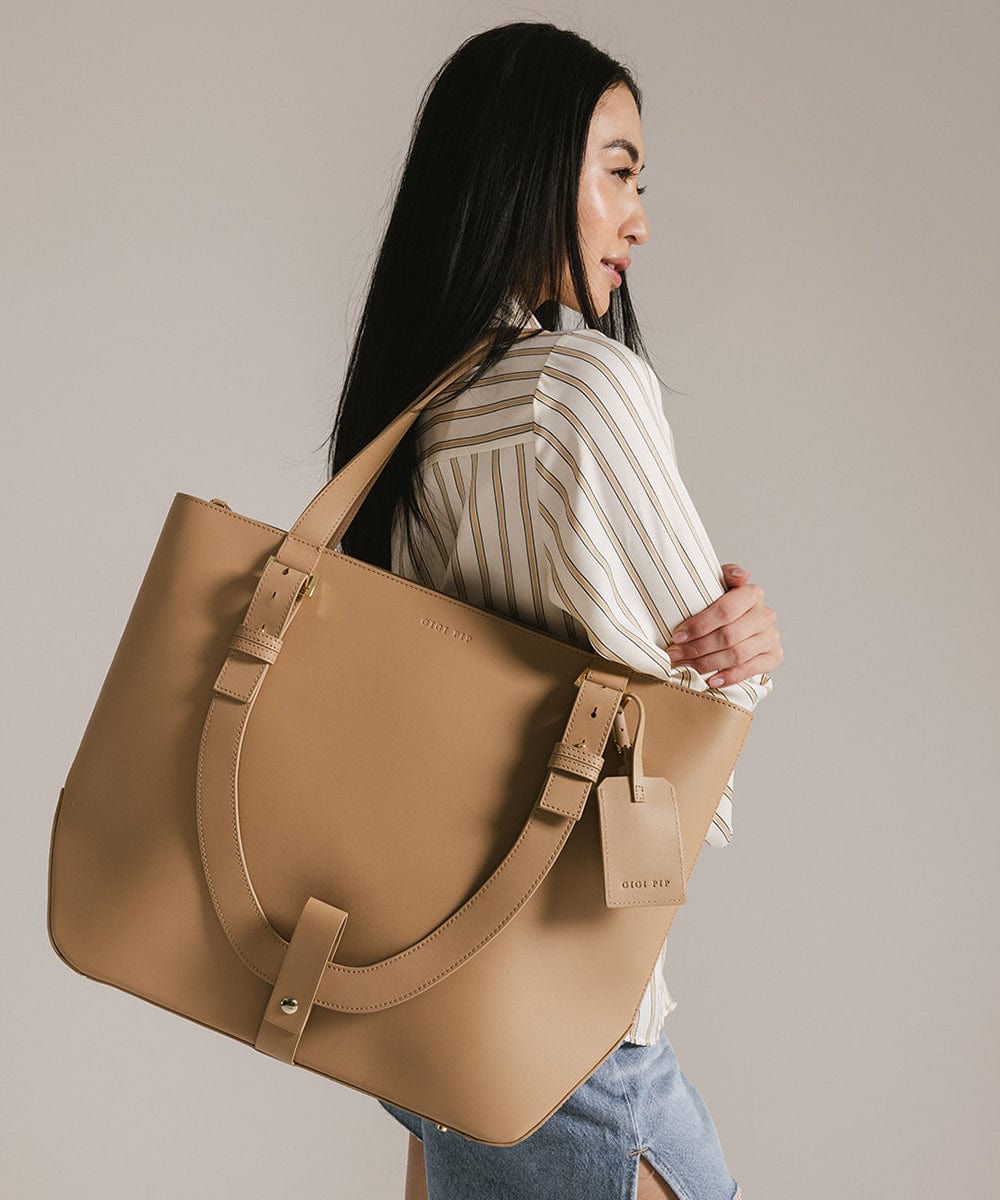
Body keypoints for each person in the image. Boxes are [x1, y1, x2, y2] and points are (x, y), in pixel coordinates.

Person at [324, 20, 783, 1200]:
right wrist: (754, 648)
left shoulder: (424, 407)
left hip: (431, 1011)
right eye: (618, 172)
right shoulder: (582, 386)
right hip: (567, 1039)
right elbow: (707, 715)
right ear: (528, 173)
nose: (638, 216)